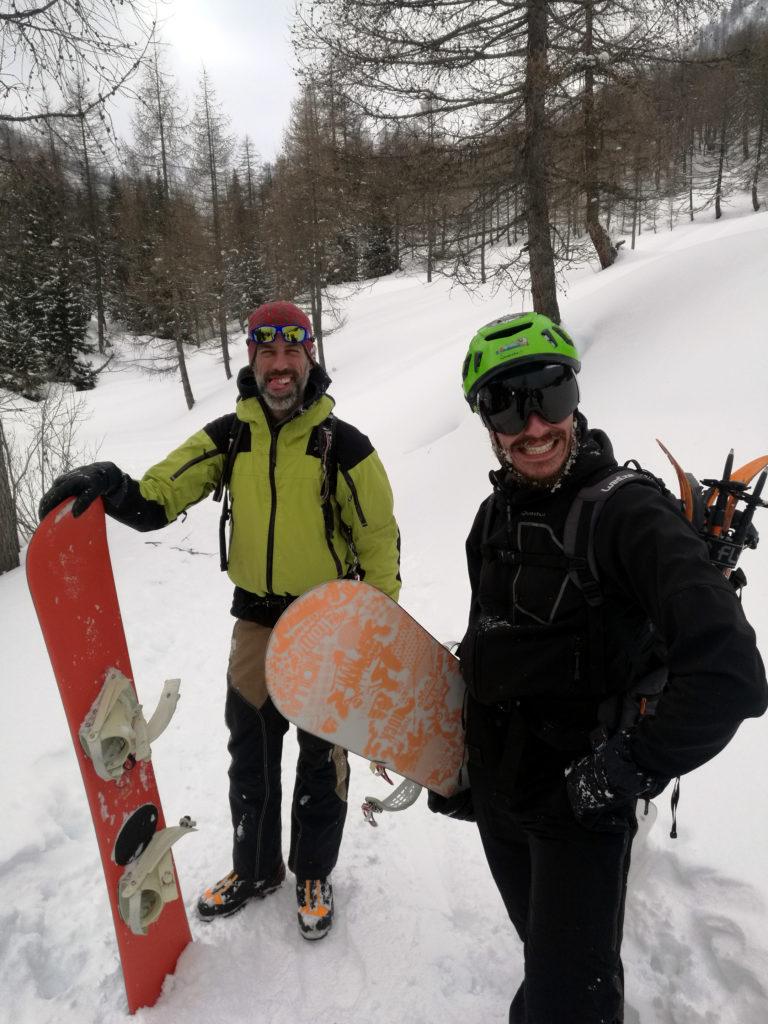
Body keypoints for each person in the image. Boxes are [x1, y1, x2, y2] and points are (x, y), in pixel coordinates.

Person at [39, 299, 401, 940]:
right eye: (269, 354)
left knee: (323, 758)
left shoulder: (345, 447)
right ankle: (256, 869)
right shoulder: (229, 437)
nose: (281, 366)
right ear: (253, 359)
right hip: (256, 622)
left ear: (308, 357)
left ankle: (313, 871)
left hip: (326, 621)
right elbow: (157, 496)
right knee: (251, 754)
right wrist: (111, 485)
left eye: (292, 353)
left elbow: (380, 546)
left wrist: (372, 635)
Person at [446, 311, 767, 1022]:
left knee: (570, 1003)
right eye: (507, 404)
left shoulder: (629, 516)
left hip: (579, 809)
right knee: (550, 956)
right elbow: (487, 650)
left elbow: (732, 676)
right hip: (503, 799)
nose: (534, 427)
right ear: (486, 422)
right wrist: (462, 770)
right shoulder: (490, 521)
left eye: (550, 395)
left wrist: (617, 774)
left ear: (575, 397)